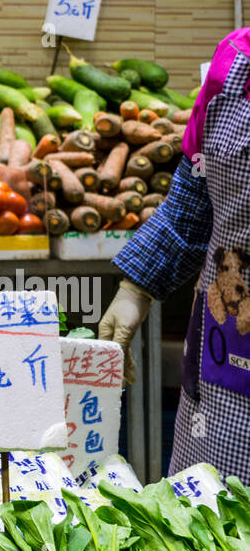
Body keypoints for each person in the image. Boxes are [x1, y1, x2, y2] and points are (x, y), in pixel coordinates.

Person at [99, 29, 250, 480]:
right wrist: (135, 289)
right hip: (226, 369)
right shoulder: (236, 65)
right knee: (206, 527)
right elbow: (192, 203)